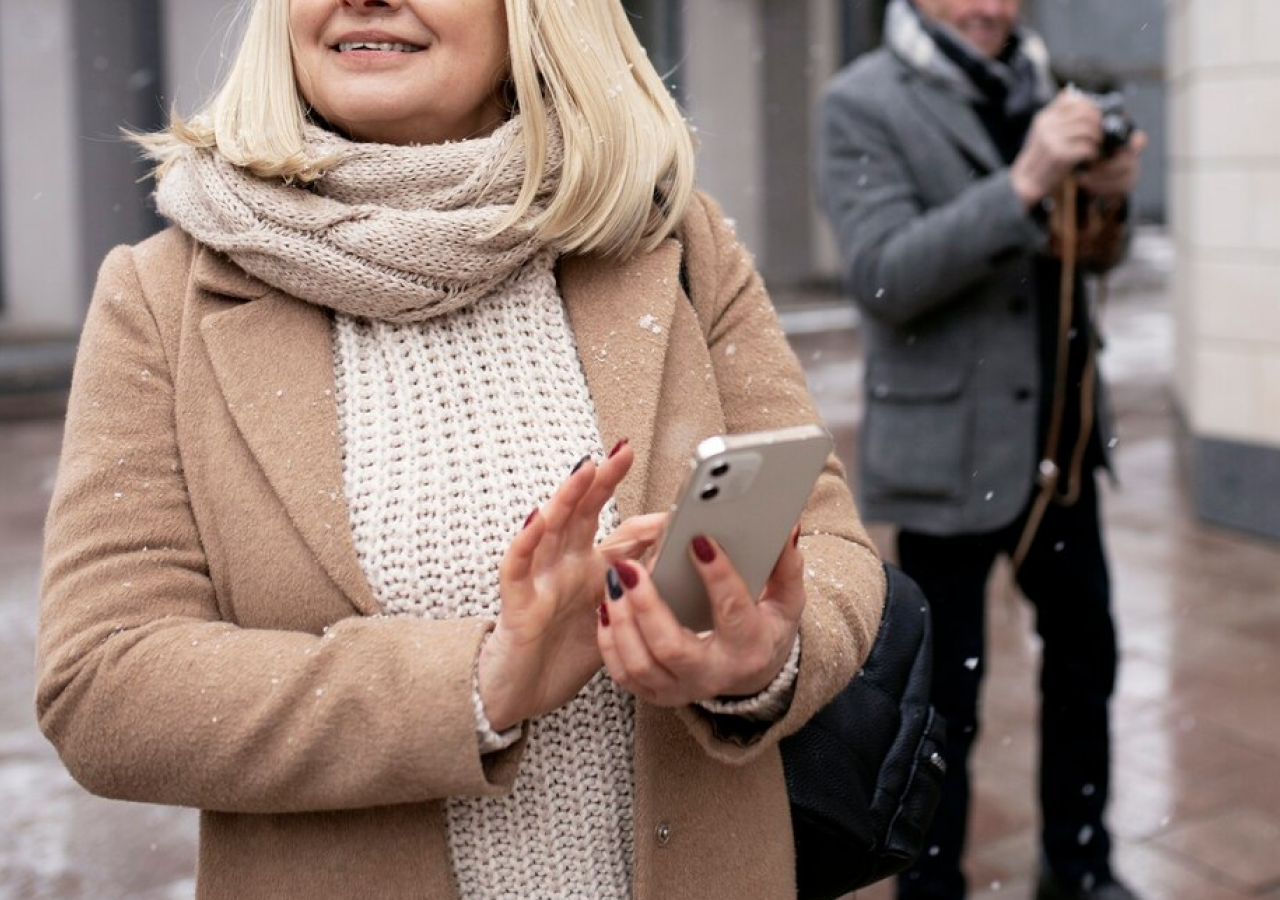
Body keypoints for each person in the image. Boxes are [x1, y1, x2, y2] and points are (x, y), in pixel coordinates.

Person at [35, 1, 886, 898]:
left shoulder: (674, 243)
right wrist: (475, 682)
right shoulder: (158, 299)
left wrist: (762, 658)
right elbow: (103, 684)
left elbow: (827, 549)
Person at [817, 2, 1148, 900]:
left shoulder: (1046, 84)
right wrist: (1025, 179)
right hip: (948, 455)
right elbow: (886, 275)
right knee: (942, 706)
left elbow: (1082, 258)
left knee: (1089, 667)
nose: (990, 9)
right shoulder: (863, 100)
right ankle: (932, 887)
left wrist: (1105, 195)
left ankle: (1081, 865)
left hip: (1064, 444)